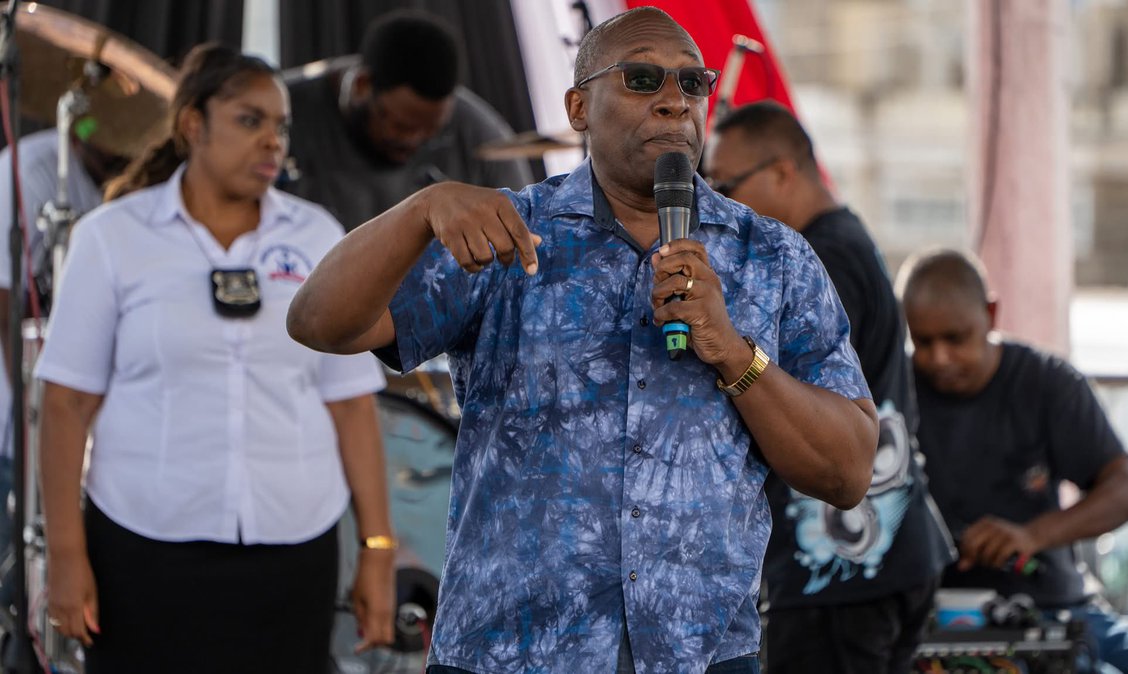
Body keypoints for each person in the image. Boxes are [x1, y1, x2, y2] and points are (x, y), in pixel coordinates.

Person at [288, 7, 879, 673]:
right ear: (578, 107)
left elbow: (848, 471)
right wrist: (420, 212)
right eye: (643, 79)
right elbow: (318, 322)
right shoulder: (513, 233)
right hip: (507, 653)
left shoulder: (773, 257)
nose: (673, 103)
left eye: (693, 84)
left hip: (698, 656)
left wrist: (736, 354)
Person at [34, 44, 396, 673]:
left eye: (280, 127)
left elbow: (350, 405)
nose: (271, 142)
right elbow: (66, 404)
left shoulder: (316, 236)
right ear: (192, 124)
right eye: (249, 120)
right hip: (144, 547)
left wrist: (378, 549)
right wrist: (66, 551)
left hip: (294, 548)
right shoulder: (113, 237)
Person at [704, 101, 954, 674]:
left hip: (841, 575)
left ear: (783, 172)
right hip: (885, 559)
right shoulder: (842, 239)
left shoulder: (821, 258)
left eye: (725, 184)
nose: (714, 202)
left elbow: (783, 404)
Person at [898, 248, 1128, 674]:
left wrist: (1031, 536)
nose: (940, 358)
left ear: (991, 313)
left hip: (1056, 605)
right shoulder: (892, 394)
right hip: (930, 618)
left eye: (955, 339)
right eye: (923, 342)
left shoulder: (1047, 382)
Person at [0, 128, 127, 608]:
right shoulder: (31, 171)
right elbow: (7, 299)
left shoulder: (128, 183)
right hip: (20, 420)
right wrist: (36, 419)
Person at [282, 9, 533, 230]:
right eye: (402, 126)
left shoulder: (478, 131)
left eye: (431, 130)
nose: (414, 140)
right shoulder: (281, 114)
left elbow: (525, 223)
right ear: (362, 86)